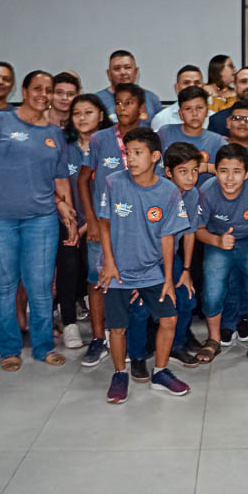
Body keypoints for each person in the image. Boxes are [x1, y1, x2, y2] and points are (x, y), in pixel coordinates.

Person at [0, 70, 79, 371]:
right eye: (38, 88)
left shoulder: (56, 134)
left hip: (41, 220)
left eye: (49, 89)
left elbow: (60, 180)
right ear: (25, 90)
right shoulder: (0, 121)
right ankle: (8, 349)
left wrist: (68, 212)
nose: (44, 94)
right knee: (4, 286)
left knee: (41, 286)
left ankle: (43, 348)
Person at [96, 128, 192, 402]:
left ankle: (160, 372)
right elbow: (105, 223)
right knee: (117, 327)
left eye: (138, 153)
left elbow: (167, 237)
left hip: (151, 270)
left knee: (169, 318)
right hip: (118, 271)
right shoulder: (114, 182)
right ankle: (119, 374)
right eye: (127, 154)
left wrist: (168, 279)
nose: (131, 159)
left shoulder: (169, 191)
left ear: (155, 157)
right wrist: (109, 264)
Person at [77, 82, 146, 367]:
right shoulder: (99, 139)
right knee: (97, 281)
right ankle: (97, 338)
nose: (122, 108)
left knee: (134, 280)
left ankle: (129, 337)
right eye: (118, 103)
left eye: (129, 103)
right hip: (103, 225)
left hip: (138, 226)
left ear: (141, 108)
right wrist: (90, 220)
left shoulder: (150, 138)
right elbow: (83, 180)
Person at [194, 144, 248, 367]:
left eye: (237, 171)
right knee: (212, 291)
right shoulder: (207, 191)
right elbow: (198, 231)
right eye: (223, 171)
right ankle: (213, 339)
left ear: (247, 173)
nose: (229, 179)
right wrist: (217, 241)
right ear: (216, 170)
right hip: (218, 242)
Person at [56, 93, 112, 349]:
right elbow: (55, 180)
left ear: (101, 115)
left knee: (101, 271)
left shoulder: (111, 144)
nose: (82, 118)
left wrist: (87, 225)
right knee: (68, 263)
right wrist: (70, 222)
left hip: (102, 222)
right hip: (66, 219)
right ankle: (69, 324)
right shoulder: (62, 144)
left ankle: (111, 326)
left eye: (88, 112)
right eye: (77, 113)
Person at [162, 141, 205, 367]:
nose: (190, 177)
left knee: (187, 298)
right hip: (150, 258)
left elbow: (190, 233)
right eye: (183, 172)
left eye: (195, 171)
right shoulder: (159, 191)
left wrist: (186, 270)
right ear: (169, 172)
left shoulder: (192, 194)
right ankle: (166, 344)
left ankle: (180, 340)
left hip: (175, 256)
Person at [157, 86, 227, 187]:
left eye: (199, 108)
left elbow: (229, 171)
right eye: (188, 109)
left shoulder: (217, 141)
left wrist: (206, 167)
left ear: (207, 111)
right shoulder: (165, 132)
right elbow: (153, 167)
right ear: (181, 114)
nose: (194, 114)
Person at [95, 50, 162, 123]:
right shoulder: (97, 100)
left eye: (128, 67)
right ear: (109, 74)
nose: (123, 72)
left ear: (136, 71)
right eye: (117, 68)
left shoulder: (151, 98)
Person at [150, 65, 206, 132]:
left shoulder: (213, 117)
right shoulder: (162, 118)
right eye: (186, 83)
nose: (192, 86)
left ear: (203, 87)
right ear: (176, 88)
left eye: (197, 83)